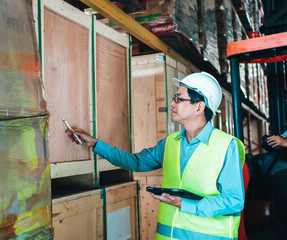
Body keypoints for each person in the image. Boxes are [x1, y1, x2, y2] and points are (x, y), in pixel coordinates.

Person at [68, 72, 245, 239]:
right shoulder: (170, 143)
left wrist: (185, 204)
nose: (172, 104)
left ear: (199, 106)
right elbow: (136, 162)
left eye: (179, 99)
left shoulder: (226, 146)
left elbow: (234, 200)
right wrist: (96, 144)